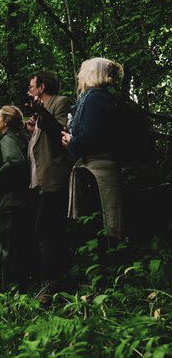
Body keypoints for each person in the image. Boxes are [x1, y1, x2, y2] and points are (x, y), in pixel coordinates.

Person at [62, 57, 125, 242]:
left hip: (97, 171)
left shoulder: (95, 98)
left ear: (92, 73)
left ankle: (110, 267)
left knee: (104, 225)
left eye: (83, 72)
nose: (80, 76)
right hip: (97, 169)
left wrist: (71, 140)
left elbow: (89, 140)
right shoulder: (103, 97)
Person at [26, 71, 73, 293]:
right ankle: (55, 282)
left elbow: (60, 134)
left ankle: (52, 284)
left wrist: (41, 114)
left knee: (46, 229)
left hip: (55, 178)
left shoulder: (59, 103)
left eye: (32, 85)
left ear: (42, 87)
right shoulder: (40, 114)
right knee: (46, 231)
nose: (29, 89)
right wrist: (33, 126)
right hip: (40, 181)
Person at [0, 106, 31, 287]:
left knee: (8, 253)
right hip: (19, 202)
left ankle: (11, 300)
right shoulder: (20, 139)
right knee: (19, 252)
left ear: (5, 122)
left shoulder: (7, 140)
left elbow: (14, 163)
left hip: (8, 204)